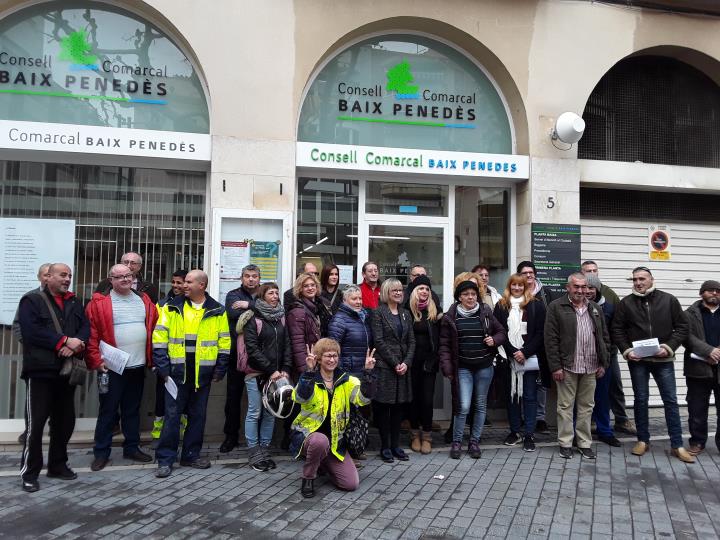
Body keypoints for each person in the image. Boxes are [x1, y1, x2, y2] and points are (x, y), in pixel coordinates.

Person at [18, 263, 90, 492]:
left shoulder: (75, 301)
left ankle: (58, 465)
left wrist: (77, 344)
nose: (67, 279)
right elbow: (31, 331)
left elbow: (85, 327)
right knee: (35, 424)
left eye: (69, 275)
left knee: (65, 421)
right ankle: (30, 473)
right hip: (40, 371)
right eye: (63, 275)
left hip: (66, 372)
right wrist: (63, 342)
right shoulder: (31, 301)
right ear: (48, 277)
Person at [611, 267, 694, 463]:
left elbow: (682, 327)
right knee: (640, 400)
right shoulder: (626, 304)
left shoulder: (669, 300)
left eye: (642, 279)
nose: (638, 282)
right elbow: (617, 329)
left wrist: (669, 347)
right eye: (635, 279)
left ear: (651, 280)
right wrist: (627, 350)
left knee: (671, 401)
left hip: (663, 359)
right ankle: (642, 440)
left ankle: (677, 445)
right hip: (638, 361)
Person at [153, 270, 230, 478]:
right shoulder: (171, 307)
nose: (183, 285)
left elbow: (224, 342)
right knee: (172, 416)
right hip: (176, 372)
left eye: (188, 282)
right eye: (184, 282)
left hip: (202, 373)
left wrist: (220, 368)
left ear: (201, 285)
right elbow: (159, 337)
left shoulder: (217, 310)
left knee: (197, 416)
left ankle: (190, 455)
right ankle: (165, 459)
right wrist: (162, 367)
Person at [85, 264, 158, 471]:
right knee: (108, 411)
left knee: (132, 410)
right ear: (111, 280)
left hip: (137, 366)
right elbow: (92, 336)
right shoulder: (100, 303)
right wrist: (97, 361)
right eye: (120, 277)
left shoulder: (143, 300)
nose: (126, 279)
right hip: (112, 367)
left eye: (129, 276)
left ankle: (132, 448)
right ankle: (101, 453)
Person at [290, 338, 377, 498]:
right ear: (318, 358)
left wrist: (368, 373)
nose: (332, 360)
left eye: (335, 355)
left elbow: (363, 399)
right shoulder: (310, 378)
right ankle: (308, 477)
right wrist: (308, 372)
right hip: (309, 437)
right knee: (320, 441)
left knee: (351, 484)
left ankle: (323, 462)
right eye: (328, 356)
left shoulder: (346, 380)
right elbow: (300, 398)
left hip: (336, 442)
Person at [545, 273, 610, 460]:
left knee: (586, 407)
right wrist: (556, 367)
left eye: (584, 287)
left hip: (591, 366)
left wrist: (603, 362)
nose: (581, 290)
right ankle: (565, 443)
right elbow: (550, 340)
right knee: (565, 406)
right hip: (568, 366)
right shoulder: (556, 307)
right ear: (568, 287)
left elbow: (604, 337)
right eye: (577, 287)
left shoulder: (595, 308)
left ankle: (584, 443)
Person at [440, 280, 506, 459]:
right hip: (463, 368)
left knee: (480, 405)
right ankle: (457, 441)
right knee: (463, 406)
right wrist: (447, 368)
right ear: (459, 297)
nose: (470, 297)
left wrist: (494, 340)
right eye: (466, 294)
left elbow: (501, 332)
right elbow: (445, 345)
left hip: (484, 367)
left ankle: (474, 441)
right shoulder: (451, 316)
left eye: (473, 294)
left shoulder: (485, 312)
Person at [242, 282, 293, 472]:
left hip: (278, 374)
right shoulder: (252, 318)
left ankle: (265, 449)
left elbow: (287, 344)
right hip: (257, 373)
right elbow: (252, 349)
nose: (275, 296)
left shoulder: (281, 318)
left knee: (270, 414)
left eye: (277, 293)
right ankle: (254, 451)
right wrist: (271, 369)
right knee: (255, 412)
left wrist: (286, 367)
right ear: (262, 297)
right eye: (271, 293)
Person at [581, 260, 635, 435]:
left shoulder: (609, 294)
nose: (592, 272)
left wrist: (618, 349)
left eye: (594, 270)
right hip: (585, 355)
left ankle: (621, 420)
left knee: (614, 386)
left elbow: (618, 323)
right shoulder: (577, 294)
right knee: (588, 390)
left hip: (608, 354)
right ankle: (591, 422)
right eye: (588, 270)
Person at [493, 274, 546, 452]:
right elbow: (498, 331)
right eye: (514, 285)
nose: (517, 288)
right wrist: (513, 353)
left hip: (529, 358)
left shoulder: (536, 305)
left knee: (530, 397)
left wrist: (525, 352)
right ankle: (515, 431)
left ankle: (529, 434)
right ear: (509, 286)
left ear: (525, 287)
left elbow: (540, 333)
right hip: (509, 359)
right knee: (512, 397)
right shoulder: (501, 306)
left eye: (520, 285)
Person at [371, 278, 415, 463]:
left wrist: (406, 362)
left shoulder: (406, 314)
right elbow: (378, 341)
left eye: (400, 290)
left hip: (403, 368)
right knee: (384, 408)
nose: (398, 293)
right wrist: (395, 362)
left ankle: (396, 446)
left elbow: (412, 341)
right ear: (386, 292)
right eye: (394, 290)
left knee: (398, 408)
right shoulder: (378, 313)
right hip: (385, 367)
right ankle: (385, 446)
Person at [219, 264, 261, 453]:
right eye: (247, 276)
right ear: (241, 278)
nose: (251, 279)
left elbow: (274, 309)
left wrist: (250, 305)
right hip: (237, 356)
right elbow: (233, 313)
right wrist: (259, 309)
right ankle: (230, 437)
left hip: (260, 356)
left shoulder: (263, 293)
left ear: (259, 278)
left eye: (254, 276)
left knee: (260, 400)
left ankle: (260, 438)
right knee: (233, 399)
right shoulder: (233, 295)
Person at [12, 262, 51, 446]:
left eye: (50, 274)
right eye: (44, 274)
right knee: (34, 399)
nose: (47, 277)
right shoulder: (30, 297)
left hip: (59, 358)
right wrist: (28, 343)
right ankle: (31, 430)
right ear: (39, 277)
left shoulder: (68, 298)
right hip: (36, 359)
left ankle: (54, 427)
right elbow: (18, 324)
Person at [683, 280, 720, 456]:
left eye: (718, 291)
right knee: (697, 409)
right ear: (701, 293)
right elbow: (686, 336)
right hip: (697, 368)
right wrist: (709, 351)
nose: (715, 293)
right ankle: (697, 442)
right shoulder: (689, 314)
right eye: (710, 290)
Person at [584, 274, 621, 447]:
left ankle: (605, 431)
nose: (588, 291)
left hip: (603, 362)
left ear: (598, 289)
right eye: (586, 287)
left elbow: (615, 335)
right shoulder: (575, 306)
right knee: (581, 400)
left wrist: (606, 359)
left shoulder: (609, 308)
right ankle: (580, 433)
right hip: (581, 361)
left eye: (592, 288)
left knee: (602, 397)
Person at [516, 260, 553, 434]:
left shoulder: (546, 294)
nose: (529, 275)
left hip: (543, 344)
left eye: (531, 272)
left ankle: (540, 418)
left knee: (540, 383)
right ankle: (525, 417)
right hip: (521, 347)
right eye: (524, 273)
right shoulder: (515, 293)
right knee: (523, 383)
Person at [406, 275, 441, 454]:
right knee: (413, 400)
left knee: (427, 401)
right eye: (421, 288)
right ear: (414, 291)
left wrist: (435, 358)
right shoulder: (406, 311)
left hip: (429, 363)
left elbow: (441, 338)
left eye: (427, 289)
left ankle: (426, 435)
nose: (424, 291)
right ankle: (414, 435)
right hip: (411, 364)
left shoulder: (436, 312)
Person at [153, 269, 187, 442]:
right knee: (162, 398)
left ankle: (181, 431)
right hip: (165, 361)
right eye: (173, 282)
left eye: (179, 282)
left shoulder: (194, 304)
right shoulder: (162, 304)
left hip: (186, 362)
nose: (175, 285)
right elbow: (156, 333)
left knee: (184, 400)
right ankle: (158, 431)